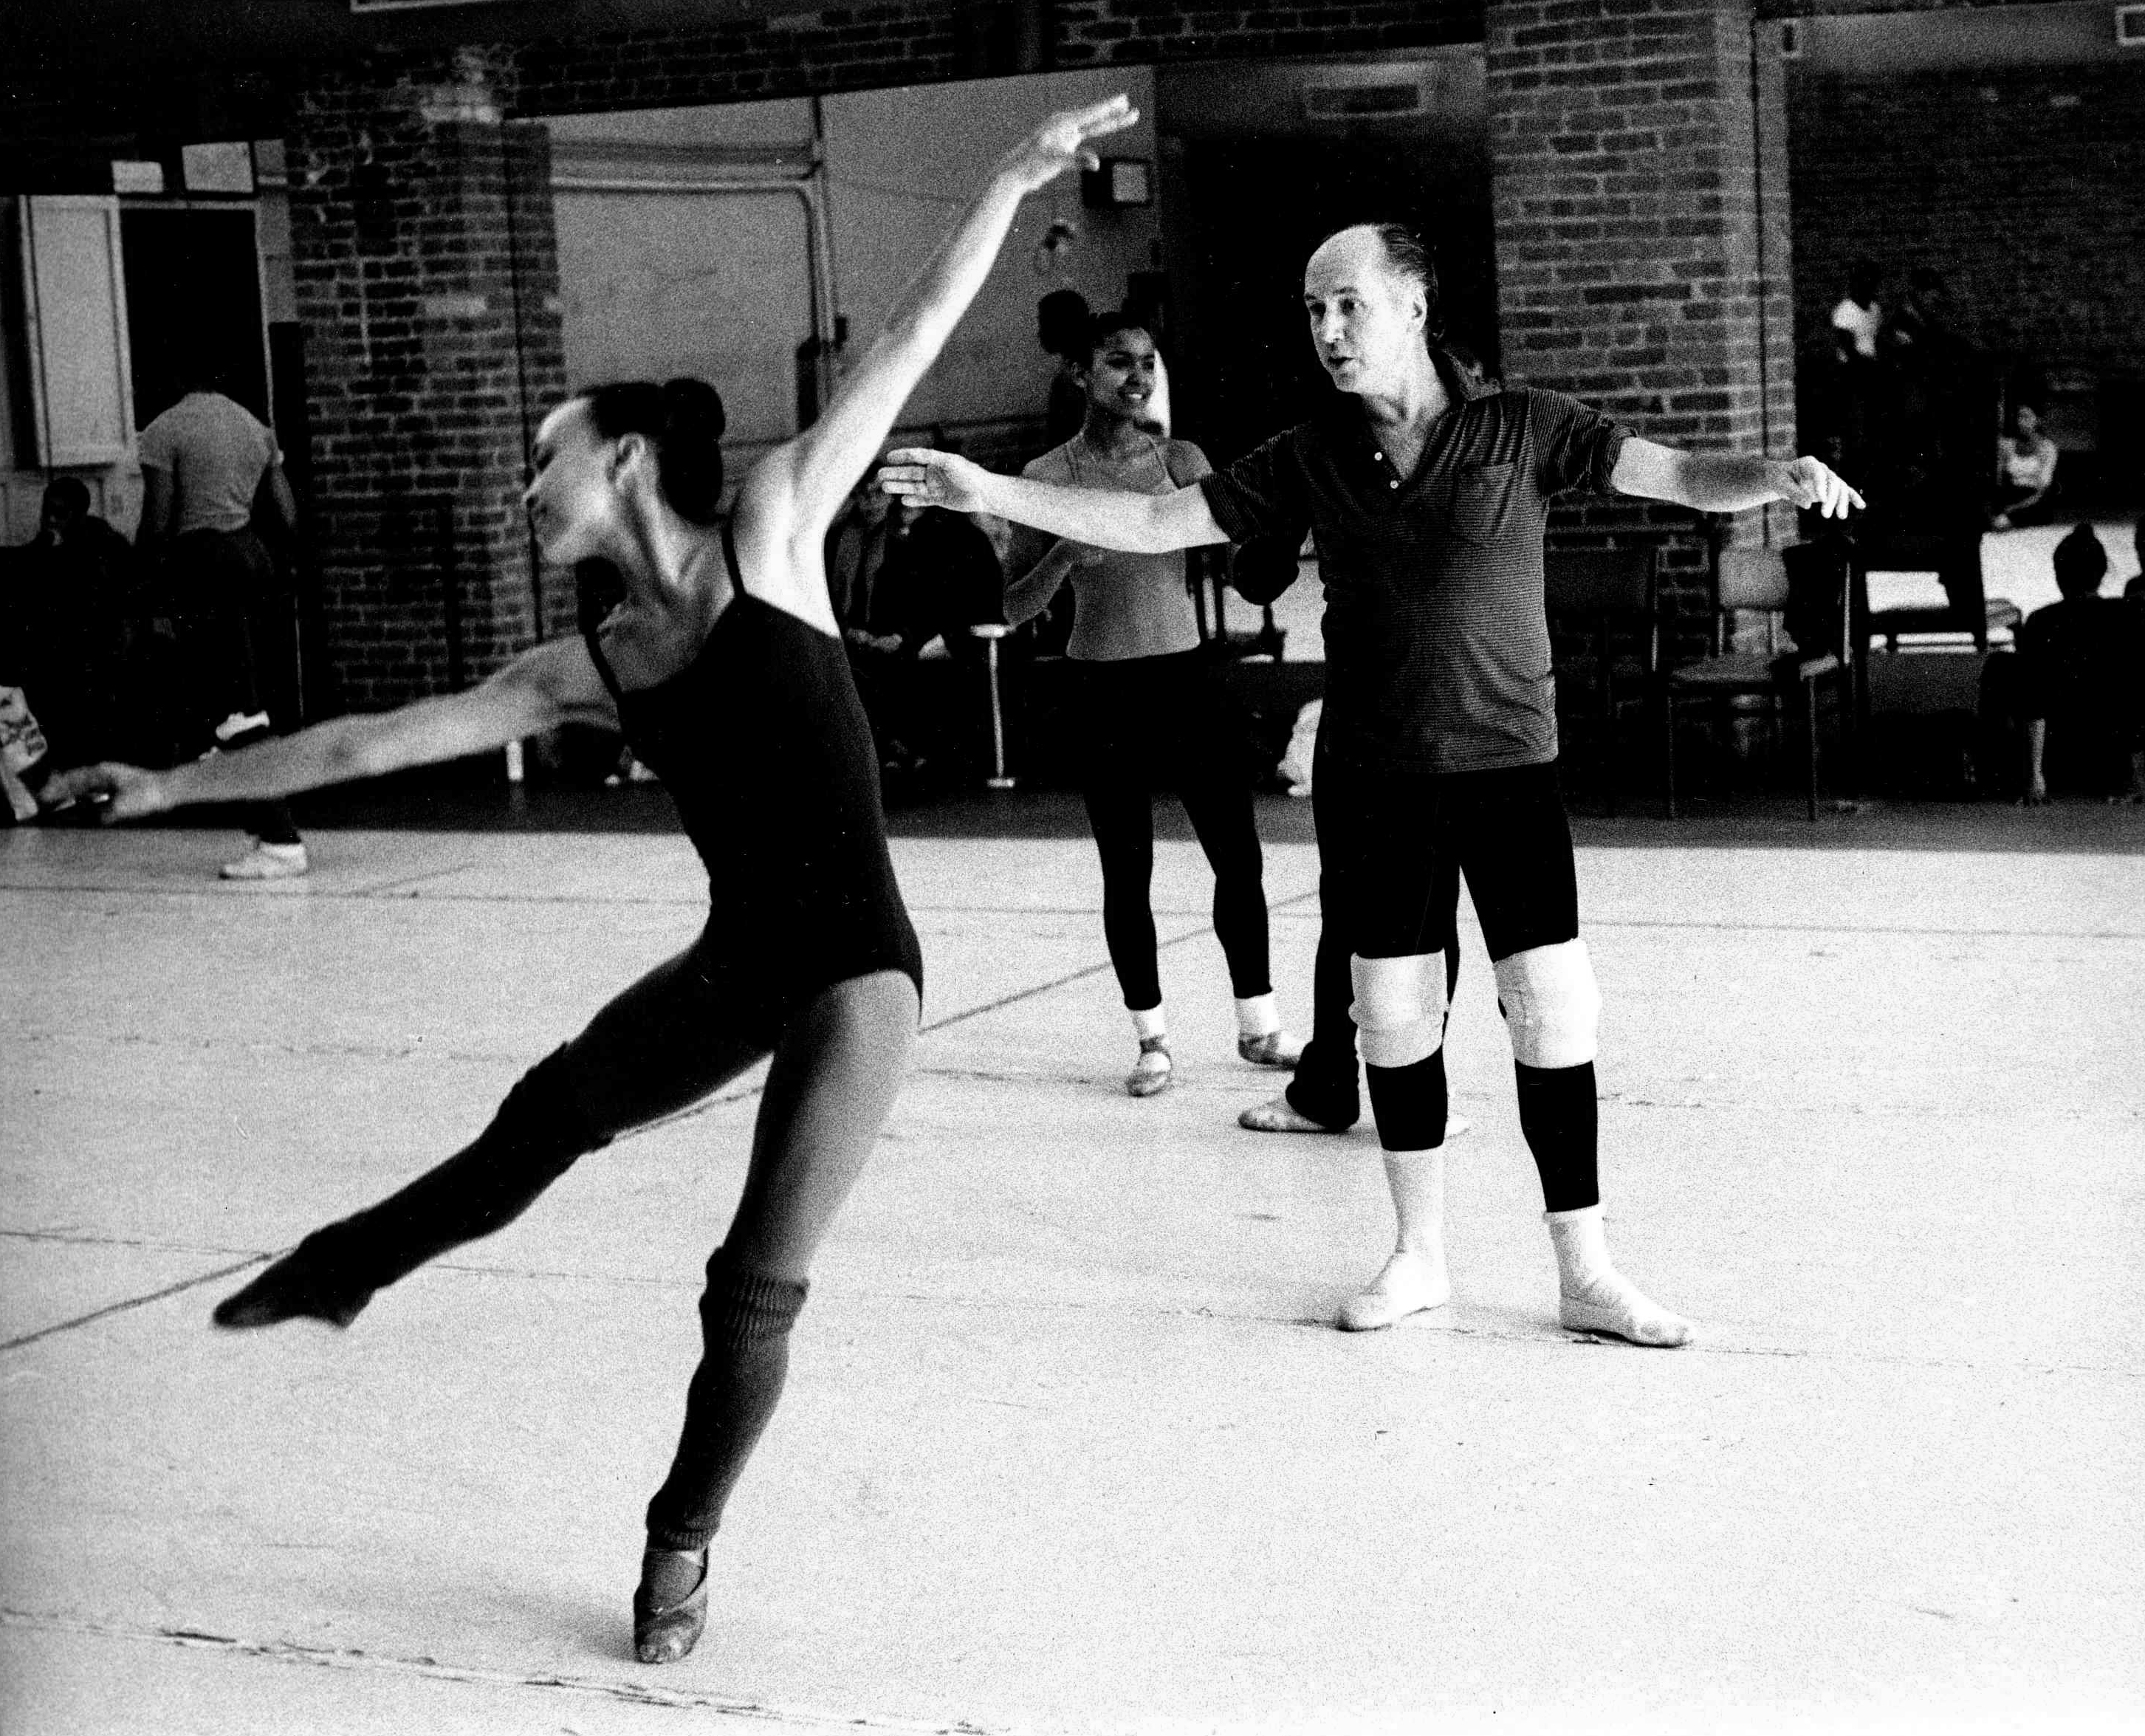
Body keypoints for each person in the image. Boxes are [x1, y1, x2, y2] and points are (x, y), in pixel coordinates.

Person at [50, 95, 1140, 1665]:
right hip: (740, 958)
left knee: (749, 1287)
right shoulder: (594, 661)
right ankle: (350, 1265)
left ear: (621, 455)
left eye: (538, 460)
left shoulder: (772, 532)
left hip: (854, 973)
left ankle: (681, 1533)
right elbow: (373, 742)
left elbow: (906, 336)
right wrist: (172, 781)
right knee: (538, 1119)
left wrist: (1007, 177)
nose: (524, 487)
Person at [882, 221, 1862, 1345]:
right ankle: (1418, 1254)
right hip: (1376, 777)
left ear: (1413, 304)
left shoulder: (1524, 427)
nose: (1328, 329)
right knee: (1394, 1017)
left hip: (1511, 769)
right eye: (1312, 310)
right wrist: (990, 490)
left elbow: (1680, 475)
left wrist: (1776, 475)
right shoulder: (1308, 453)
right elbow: (1155, 519)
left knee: (1554, 1011)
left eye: (1347, 304)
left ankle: (1586, 1267)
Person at [1001, 309, 1299, 1096]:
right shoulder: (1044, 479)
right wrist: (1065, 548)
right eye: (1118, 363)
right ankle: (1152, 1037)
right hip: (1100, 685)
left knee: (1237, 854)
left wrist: (1264, 551)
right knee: (1125, 867)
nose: (1136, 378)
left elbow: (1241, 558)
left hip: (1185, 677)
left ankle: (1260, 1023)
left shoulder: (1180, 459)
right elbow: (1010, 608)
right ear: (1080, 374)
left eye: (1146, 363)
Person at [135, 368, 308, 879]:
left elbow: (159, 521)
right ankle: (262, 826)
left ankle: (280, 840)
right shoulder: (253, 425)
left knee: (233, 707)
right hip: (254, 561)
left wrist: (146, 589)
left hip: (202, 564)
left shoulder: (165, 429)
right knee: (245, 700)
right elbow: (287, 512)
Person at [2017, 524, 2145, 804]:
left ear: (2058, 575)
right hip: (2113, 759)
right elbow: (2136, 694)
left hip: (2060, 756)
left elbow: (2033, 701)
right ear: (2101, 573)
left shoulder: (2042, 621)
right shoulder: (2129, 614)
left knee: (2002, 666)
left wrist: (2034, 778)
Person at [1988, 400, 2059, 531]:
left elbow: (2043, 489)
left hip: (2034, 499)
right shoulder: (2007, 446)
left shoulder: (2047, 448)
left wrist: (2014, 509)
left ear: (2038, 420)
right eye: (2019, 417)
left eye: (2026, 417)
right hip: (2011, 494)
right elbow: (1999, 480)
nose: (2021, 422)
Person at [1829, 260, 1884, 362]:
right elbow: (1848, 349)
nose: (1869, 285)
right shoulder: (1844, 311)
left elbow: (1878, 339)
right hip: (1852, 367)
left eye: (1872, 281)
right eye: (1864, 280)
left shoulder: (1875, 308)